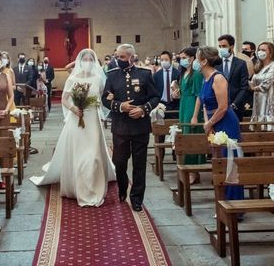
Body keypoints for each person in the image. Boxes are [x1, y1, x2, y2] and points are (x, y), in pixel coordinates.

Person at [31, 49, 116, 206]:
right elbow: (65, 99)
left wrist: (107, 100)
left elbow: (105, 96)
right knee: (79, 153)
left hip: (93, 120)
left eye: (91, 59)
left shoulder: (99, 78)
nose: (88, 62)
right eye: (85, 59)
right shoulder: (73, 78)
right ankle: (78, 187)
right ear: (80, 61)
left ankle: (93, 187)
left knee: (93, 155)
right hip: (76, 119)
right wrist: (73, 108)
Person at [101, 44, 159, 211]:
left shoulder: (145, 74)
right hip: (120, 127)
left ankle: (136, 198)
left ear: (132, 58)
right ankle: (122, 187)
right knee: (119, 162)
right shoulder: (112, 75)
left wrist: (143, 109)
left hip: (140, 126)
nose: (118, 60)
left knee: (139, 164)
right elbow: (105, 99)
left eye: (122, 57)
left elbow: (155, 97)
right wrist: (120, 106)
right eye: (117, 57)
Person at [191, 46, 243, 201]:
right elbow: (205, 104)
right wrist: (208, 125)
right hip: (214, 122)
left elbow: (223, 107)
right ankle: (222, 200)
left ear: (204, 61)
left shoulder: (218, 78)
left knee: (229, 161)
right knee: (218, 162)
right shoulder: (205, 79)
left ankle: (234, 203)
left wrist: (210, 123)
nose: (194, 61)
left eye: (197, 58)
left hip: (226, 122)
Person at [176, 47, 206, 182]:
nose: (182, 60)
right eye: (180, 58)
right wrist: (177, 93)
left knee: (191, 137)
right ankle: (189, 169)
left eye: (184, 57)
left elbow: (199, 95)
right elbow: (184, 90)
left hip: (192, 106)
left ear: (192, 58)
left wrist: (195, 115)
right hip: (184, 105)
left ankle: (193, 171)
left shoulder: (197, 74)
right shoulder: (184, 73)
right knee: (184, 135)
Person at [216, 34, 250, 122]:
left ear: (231, 46)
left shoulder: (241, 64)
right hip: (218, 107)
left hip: (236, 108)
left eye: (224, 46)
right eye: (220, 46)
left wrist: (235, 104)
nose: (221, 49)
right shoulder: (216, 64)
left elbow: (244, 87)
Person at [249, 42, 274, 130]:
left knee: (269, 125)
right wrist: (249, 84)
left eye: (263, 50)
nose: (260, 52)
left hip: (270, 98)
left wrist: (254, 88)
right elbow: (253, 81)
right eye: (259, 50)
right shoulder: (258, 66)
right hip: (258, 100)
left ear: (270, 53)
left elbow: (267, 82)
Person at [153, 51, 181, 120]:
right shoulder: (156, 75)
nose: (163, 62)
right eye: (162, 60)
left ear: (171, 60)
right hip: (161, 105)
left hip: (175, 104)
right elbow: (154, 91)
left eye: (166, 60)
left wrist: (178, 94)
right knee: (161, 126)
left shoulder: (178, 73)